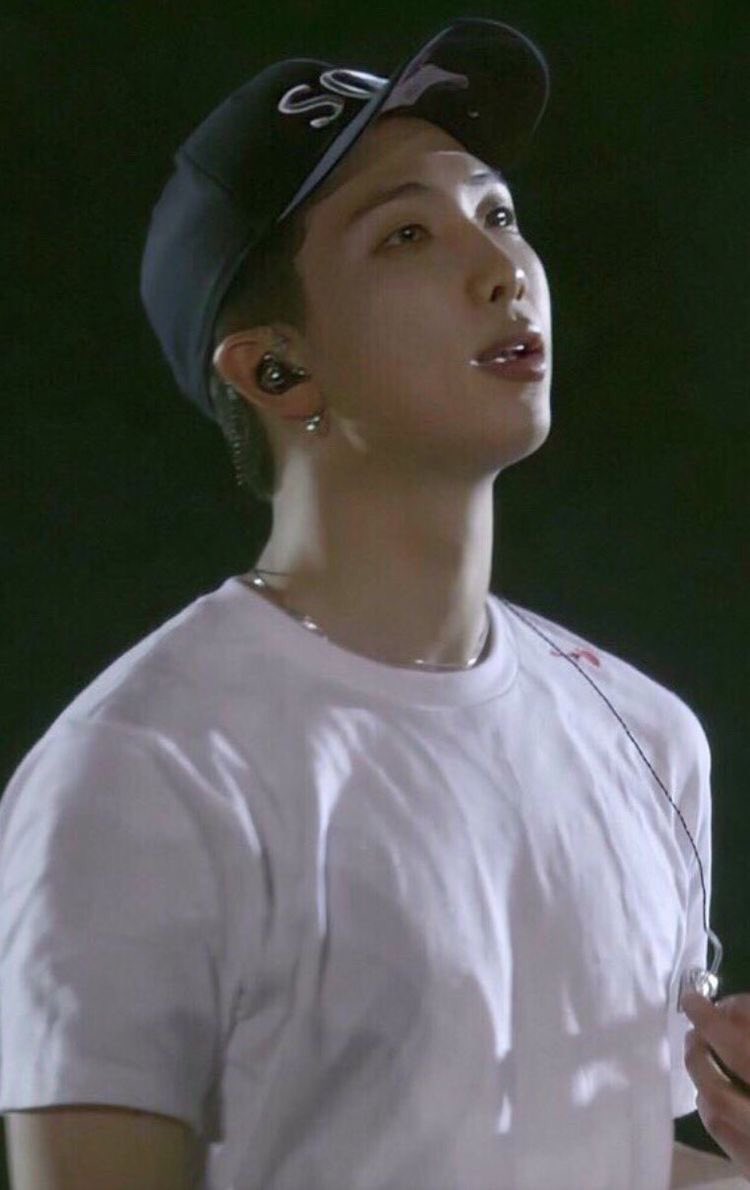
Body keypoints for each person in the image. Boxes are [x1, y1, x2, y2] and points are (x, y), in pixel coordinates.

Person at [0, 18, 738, 1190]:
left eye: (498, 213)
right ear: (275, 367)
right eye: (406, 233)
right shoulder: (144, 773)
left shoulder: (646, 736)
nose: (501, 267)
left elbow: (599, 1161)